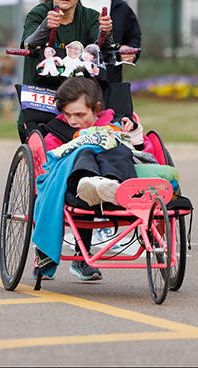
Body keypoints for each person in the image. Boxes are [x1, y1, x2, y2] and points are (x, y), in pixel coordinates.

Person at [33, 77, 139, 282]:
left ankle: (111, 186)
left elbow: (140, 150)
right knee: (85, 153)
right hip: (74, 180)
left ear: (96, 109)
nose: (73, 121)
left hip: (115, 175)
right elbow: (50, 159)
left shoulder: (116, 124)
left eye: (80, 115)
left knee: (118, 151)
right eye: (67, 114)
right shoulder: (56, 132)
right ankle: (91, 183)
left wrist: (133, 133)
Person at [18, 0, 112, 141]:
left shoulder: (90, 17)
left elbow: (99, 48)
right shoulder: (38, 13)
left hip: (80, 106)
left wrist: (106, 32)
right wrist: (45, 26)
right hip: (42, 102)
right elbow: (28, 43)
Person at [79, 0, 142, 83]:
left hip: (111, 85)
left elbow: (134, 37)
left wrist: (129, 51)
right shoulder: (72, 8)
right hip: (77, 86)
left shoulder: (121, 8)